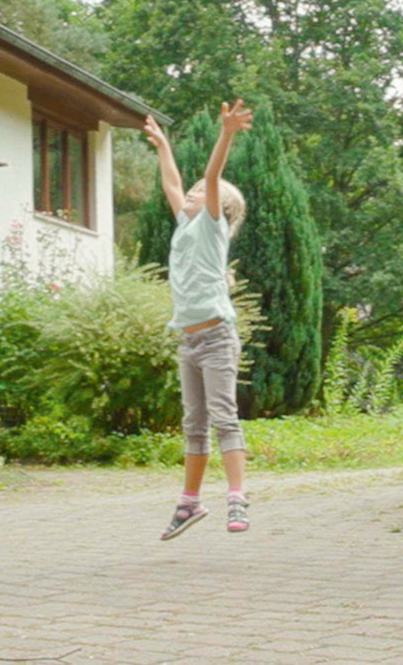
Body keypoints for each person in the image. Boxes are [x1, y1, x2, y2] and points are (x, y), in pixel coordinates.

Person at [142, 100, 253, 539]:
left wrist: (225, 135)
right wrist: (163, 146)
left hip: (217, 339)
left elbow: (208, 178)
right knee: (193, 424)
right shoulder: (185, 226)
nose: (187, 194)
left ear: (216, 206)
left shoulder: (211, 225)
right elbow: (171, 183)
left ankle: (237, 497)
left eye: (197, 194)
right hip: (187, 342)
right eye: (187, 193)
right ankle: (189, 504)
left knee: (224, 418)